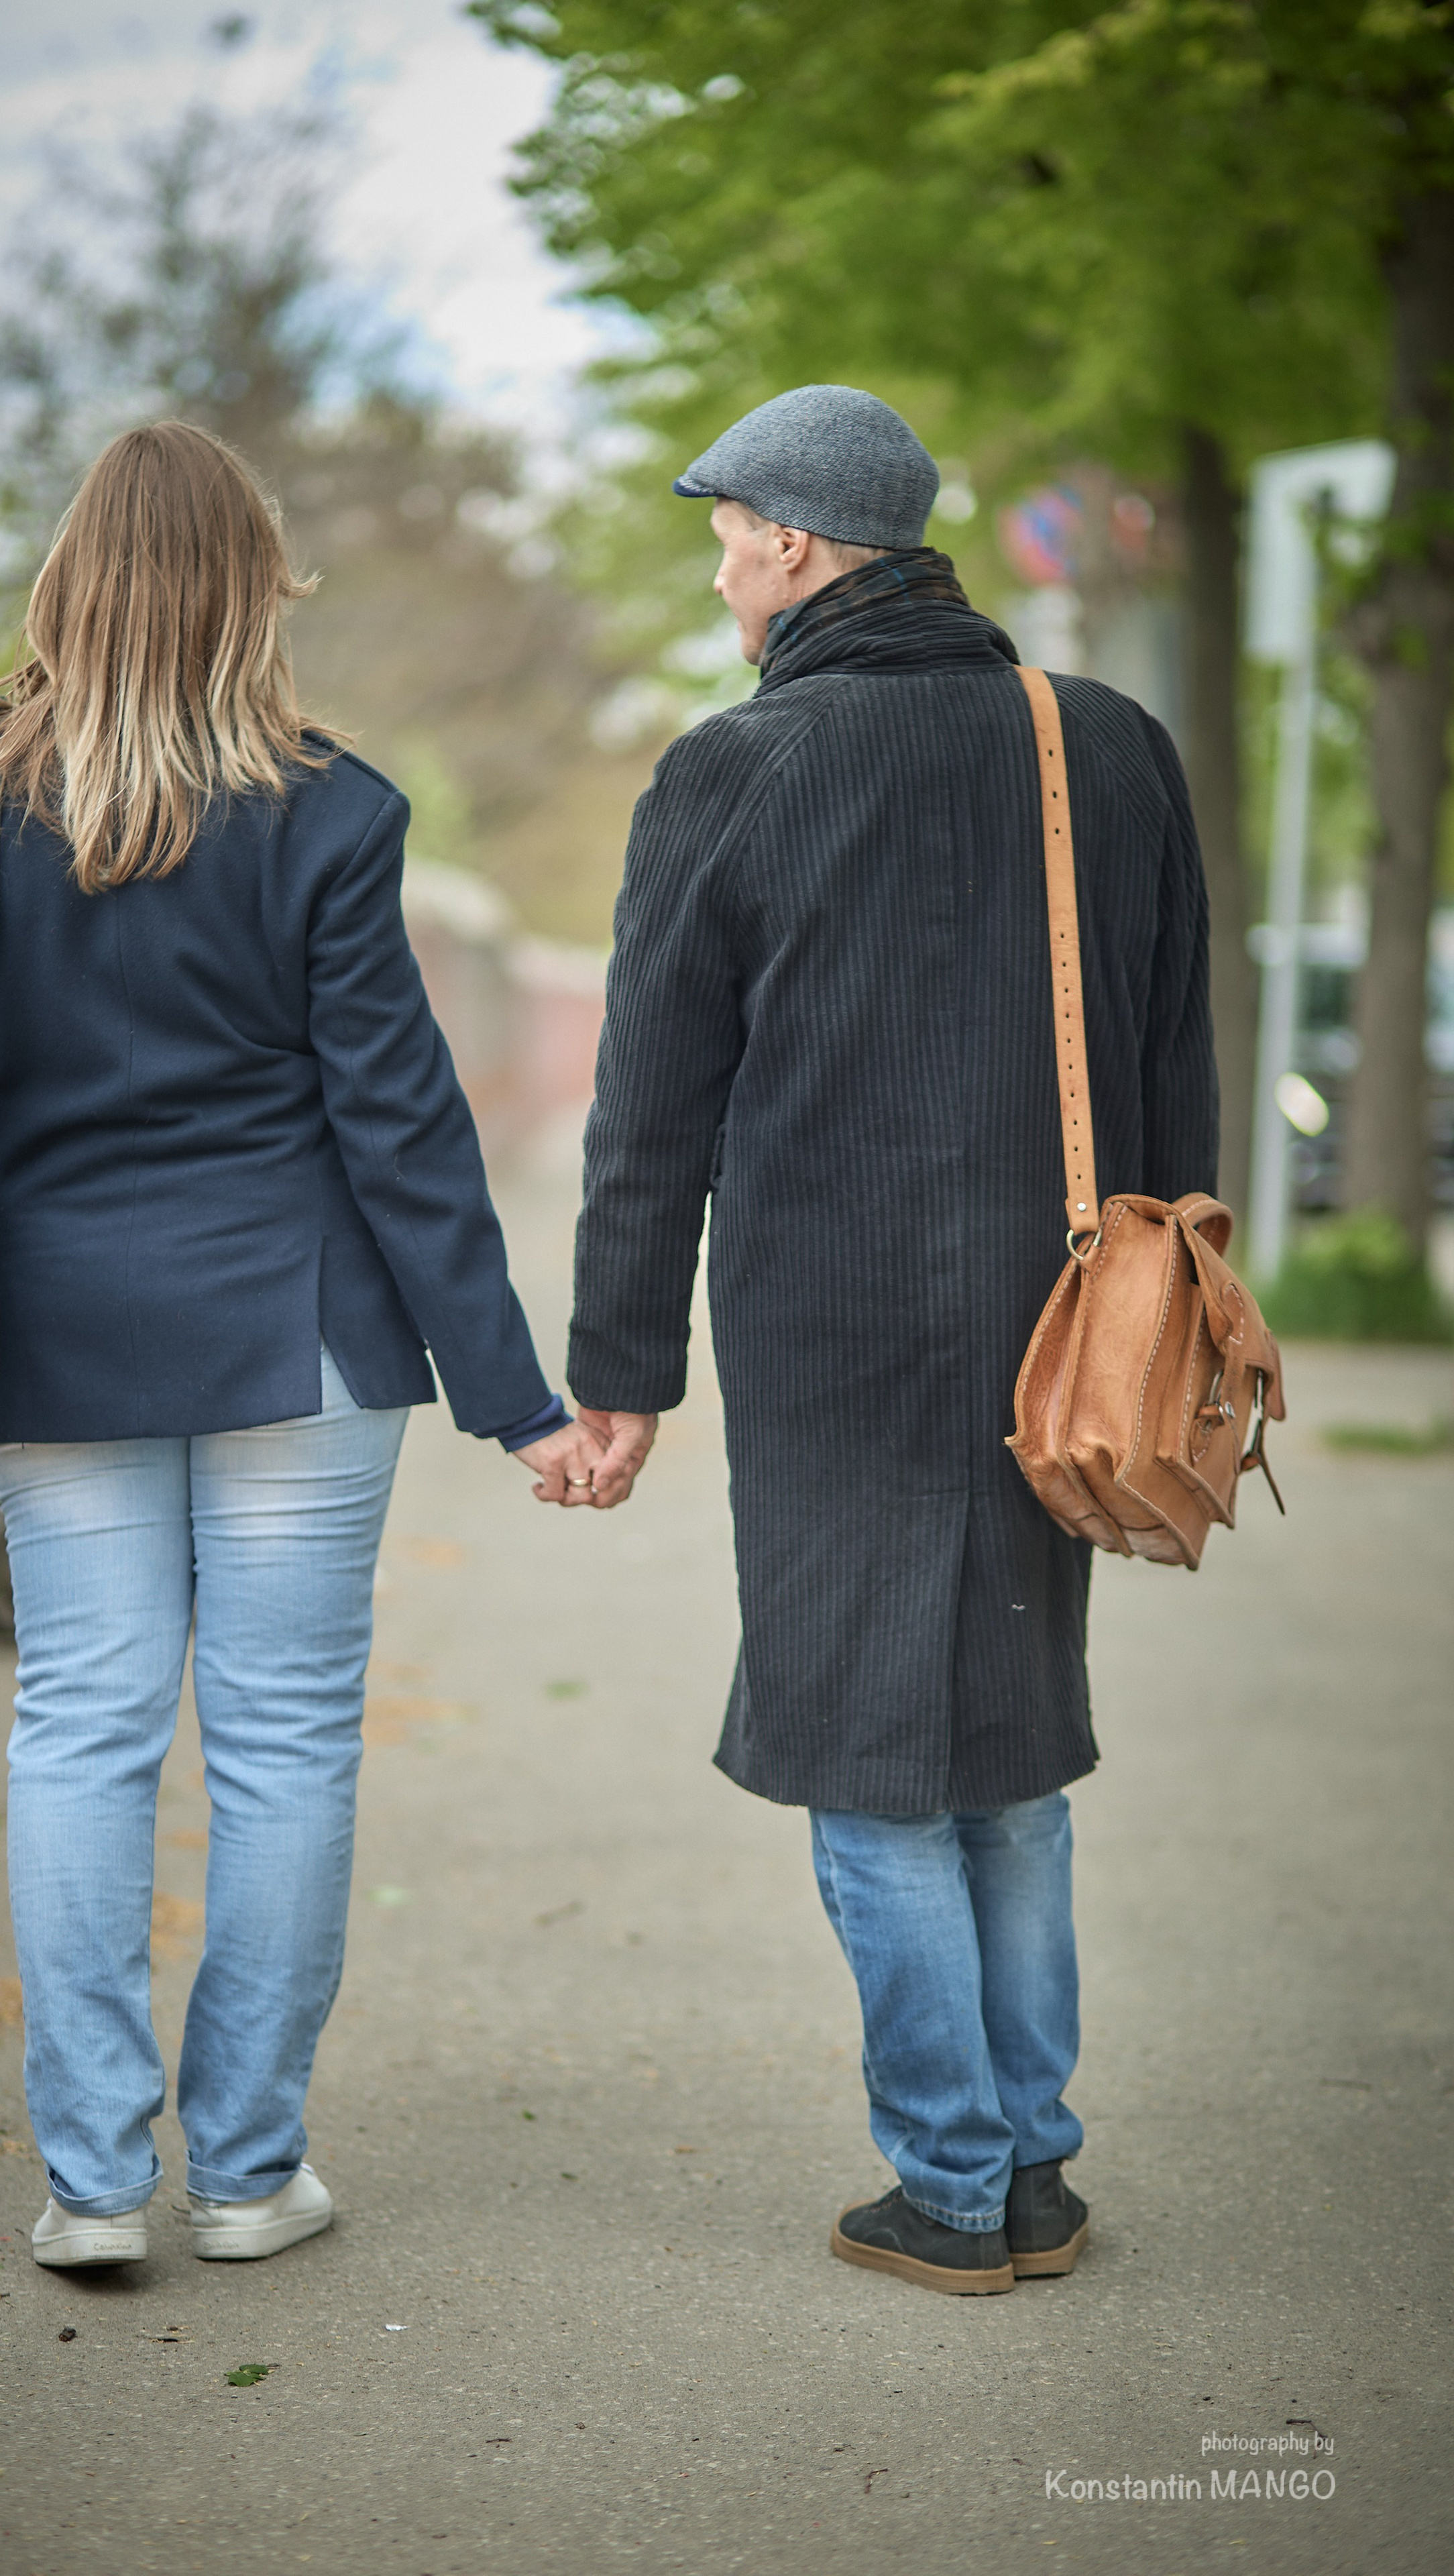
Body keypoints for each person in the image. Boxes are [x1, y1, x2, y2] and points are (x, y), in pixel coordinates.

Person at [0, 421, 603, 2269]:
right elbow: (403, 1130)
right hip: (300, 1334)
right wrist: (517, 1398)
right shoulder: (331, 809)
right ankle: (247, 2174)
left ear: (67, 580)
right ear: (257, 592)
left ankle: (94, 2185)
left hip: (61, 1320)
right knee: (284, 1747)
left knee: (81, 1729)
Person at [567, 385, 1217, 2295]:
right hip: (1067, 1329)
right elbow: (1174, 1048)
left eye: (723, 529)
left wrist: (622, 1374)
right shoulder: (1105, 745)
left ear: (789, 542)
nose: (715, 561)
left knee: (867, 1750)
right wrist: (1156, 1315)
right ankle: (1033, 2163)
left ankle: (950, 2192)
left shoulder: (735, 771)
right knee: (1004, 1746)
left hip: (835, 1342)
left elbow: (648, 1117)